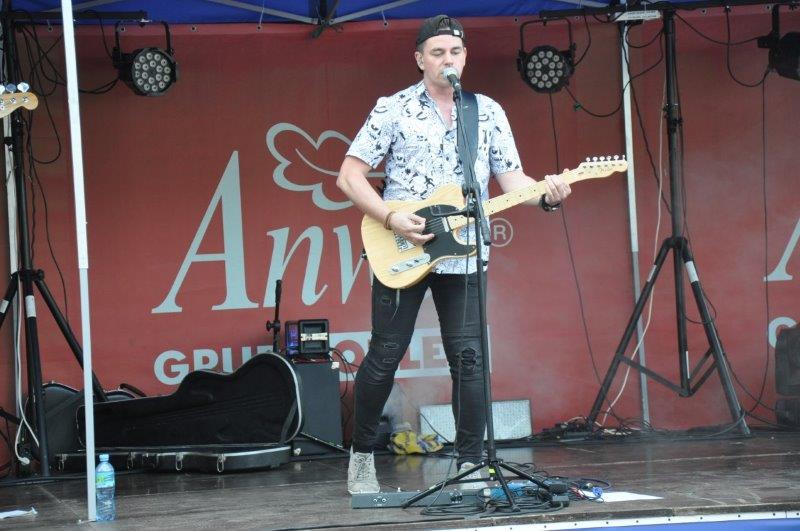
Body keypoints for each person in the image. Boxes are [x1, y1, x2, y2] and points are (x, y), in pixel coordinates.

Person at [336, 14, 572, 495]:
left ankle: (470, 465)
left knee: (469, 358)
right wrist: (390, 217)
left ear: (465, 57)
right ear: (420, 59)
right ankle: (361, 459)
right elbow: (349, 176)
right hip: (404, 244)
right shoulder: (393, 109)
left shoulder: (486, 111)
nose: (448, 60)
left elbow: (511, 180)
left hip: (464, 253)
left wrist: (547, 194)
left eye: (456, 52)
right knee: (385, 353)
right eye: (438, 52)